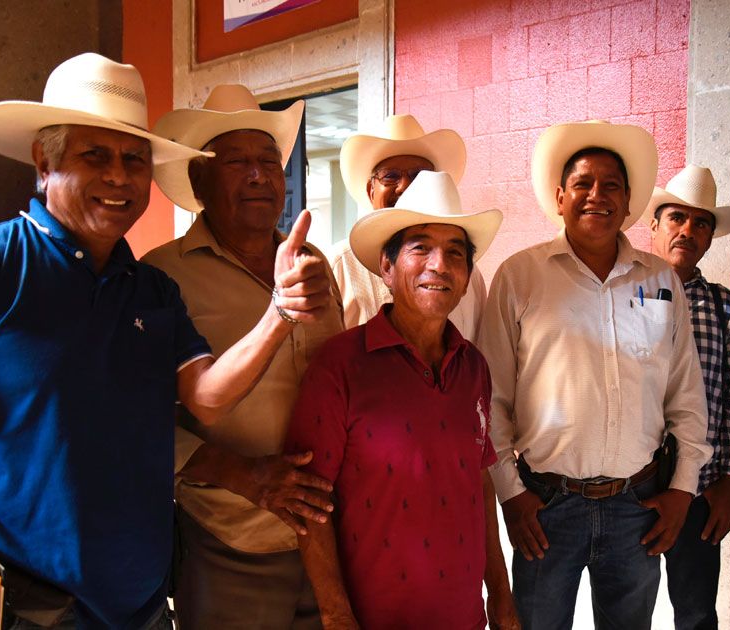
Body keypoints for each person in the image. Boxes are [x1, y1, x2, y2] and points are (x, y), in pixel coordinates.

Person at [0, 53, 331, 628]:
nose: (119, 176)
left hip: (142, 610)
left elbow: (208, 397)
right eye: (95, 155)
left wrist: (279, 313)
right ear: (44, 162)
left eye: (134, 159)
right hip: (25, 611)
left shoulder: (152, 290)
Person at [478, 120, 711, 628]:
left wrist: (682, 490)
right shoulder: (520, 277)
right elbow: (490, 399)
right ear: (560, 197)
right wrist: (511, 495)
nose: (596, 196)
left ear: (629, 202)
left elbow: (686, 396)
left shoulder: (660, 279)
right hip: (544, 506)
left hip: (638, 506)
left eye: (611, 186)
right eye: (582, 184)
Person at [142, 84, 344, 628]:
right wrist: (243, 475)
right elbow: (140, 422)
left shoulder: (313, 263)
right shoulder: (160, 277)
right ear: (198, 182)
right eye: (237, 162)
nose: (259, 175)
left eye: (268, 161)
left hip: (327, 540)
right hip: (229, 543)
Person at [285, 171, 516, 628]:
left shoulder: (474, 369)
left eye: (455, 253)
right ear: (386, 269)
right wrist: (335, 615)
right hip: (374, 617)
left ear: (468, 277)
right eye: (420, 248)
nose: (439, 265)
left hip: (464, 616)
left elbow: (480, 485)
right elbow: (307, 507)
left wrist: (502, 595)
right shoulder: (340, 366)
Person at [647, 165, 730, 629]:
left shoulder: (722, 304)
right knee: (627, 607)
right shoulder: (625, 292)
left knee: (695, 612)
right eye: (677, 218)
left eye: (701, 223)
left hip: (701, 489)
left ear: (711, 236)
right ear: (655, 224)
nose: (687, 231)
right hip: (634, 487)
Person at [333, 114, 487, 338]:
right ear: (371, 191)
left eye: (419, 176)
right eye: (390, 176)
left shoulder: (467, 274)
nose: (405, 186)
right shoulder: (339, 265)